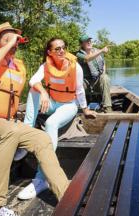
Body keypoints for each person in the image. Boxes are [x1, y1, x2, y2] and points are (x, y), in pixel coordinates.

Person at [0, 23, 70, 216]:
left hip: (1, 126)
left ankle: (67, 194)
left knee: (41, 138)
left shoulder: (16, 67)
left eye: (16, 40)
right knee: (11, 131)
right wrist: (8, 45)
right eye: (7, 39)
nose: (13, 43)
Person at [16, 37, 97, 200]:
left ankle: (41, 178)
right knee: (34, 91)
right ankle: (26, 135)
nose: (62, 51)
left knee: (51, 123)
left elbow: (80, 90)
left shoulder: (76, 67)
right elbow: (33, 81)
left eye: (64, 48)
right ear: (49, 52)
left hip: (69, 105)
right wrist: (44, 93)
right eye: (57, 49)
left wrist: (86, 110)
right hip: (52, 103)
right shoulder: (46, 65)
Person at [75, 35, 113, 113]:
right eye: (86, 41)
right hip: (85, 82)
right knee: (78, 82)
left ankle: (108, 108)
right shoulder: (79, 54)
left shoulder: (97, 51)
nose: (89, 42)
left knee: (105, 77)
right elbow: (88, 58)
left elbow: (103, 64)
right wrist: (102, 50)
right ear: (82, 44)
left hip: (97, 81)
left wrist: (103, 74)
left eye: (90, 41)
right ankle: (79, 108)